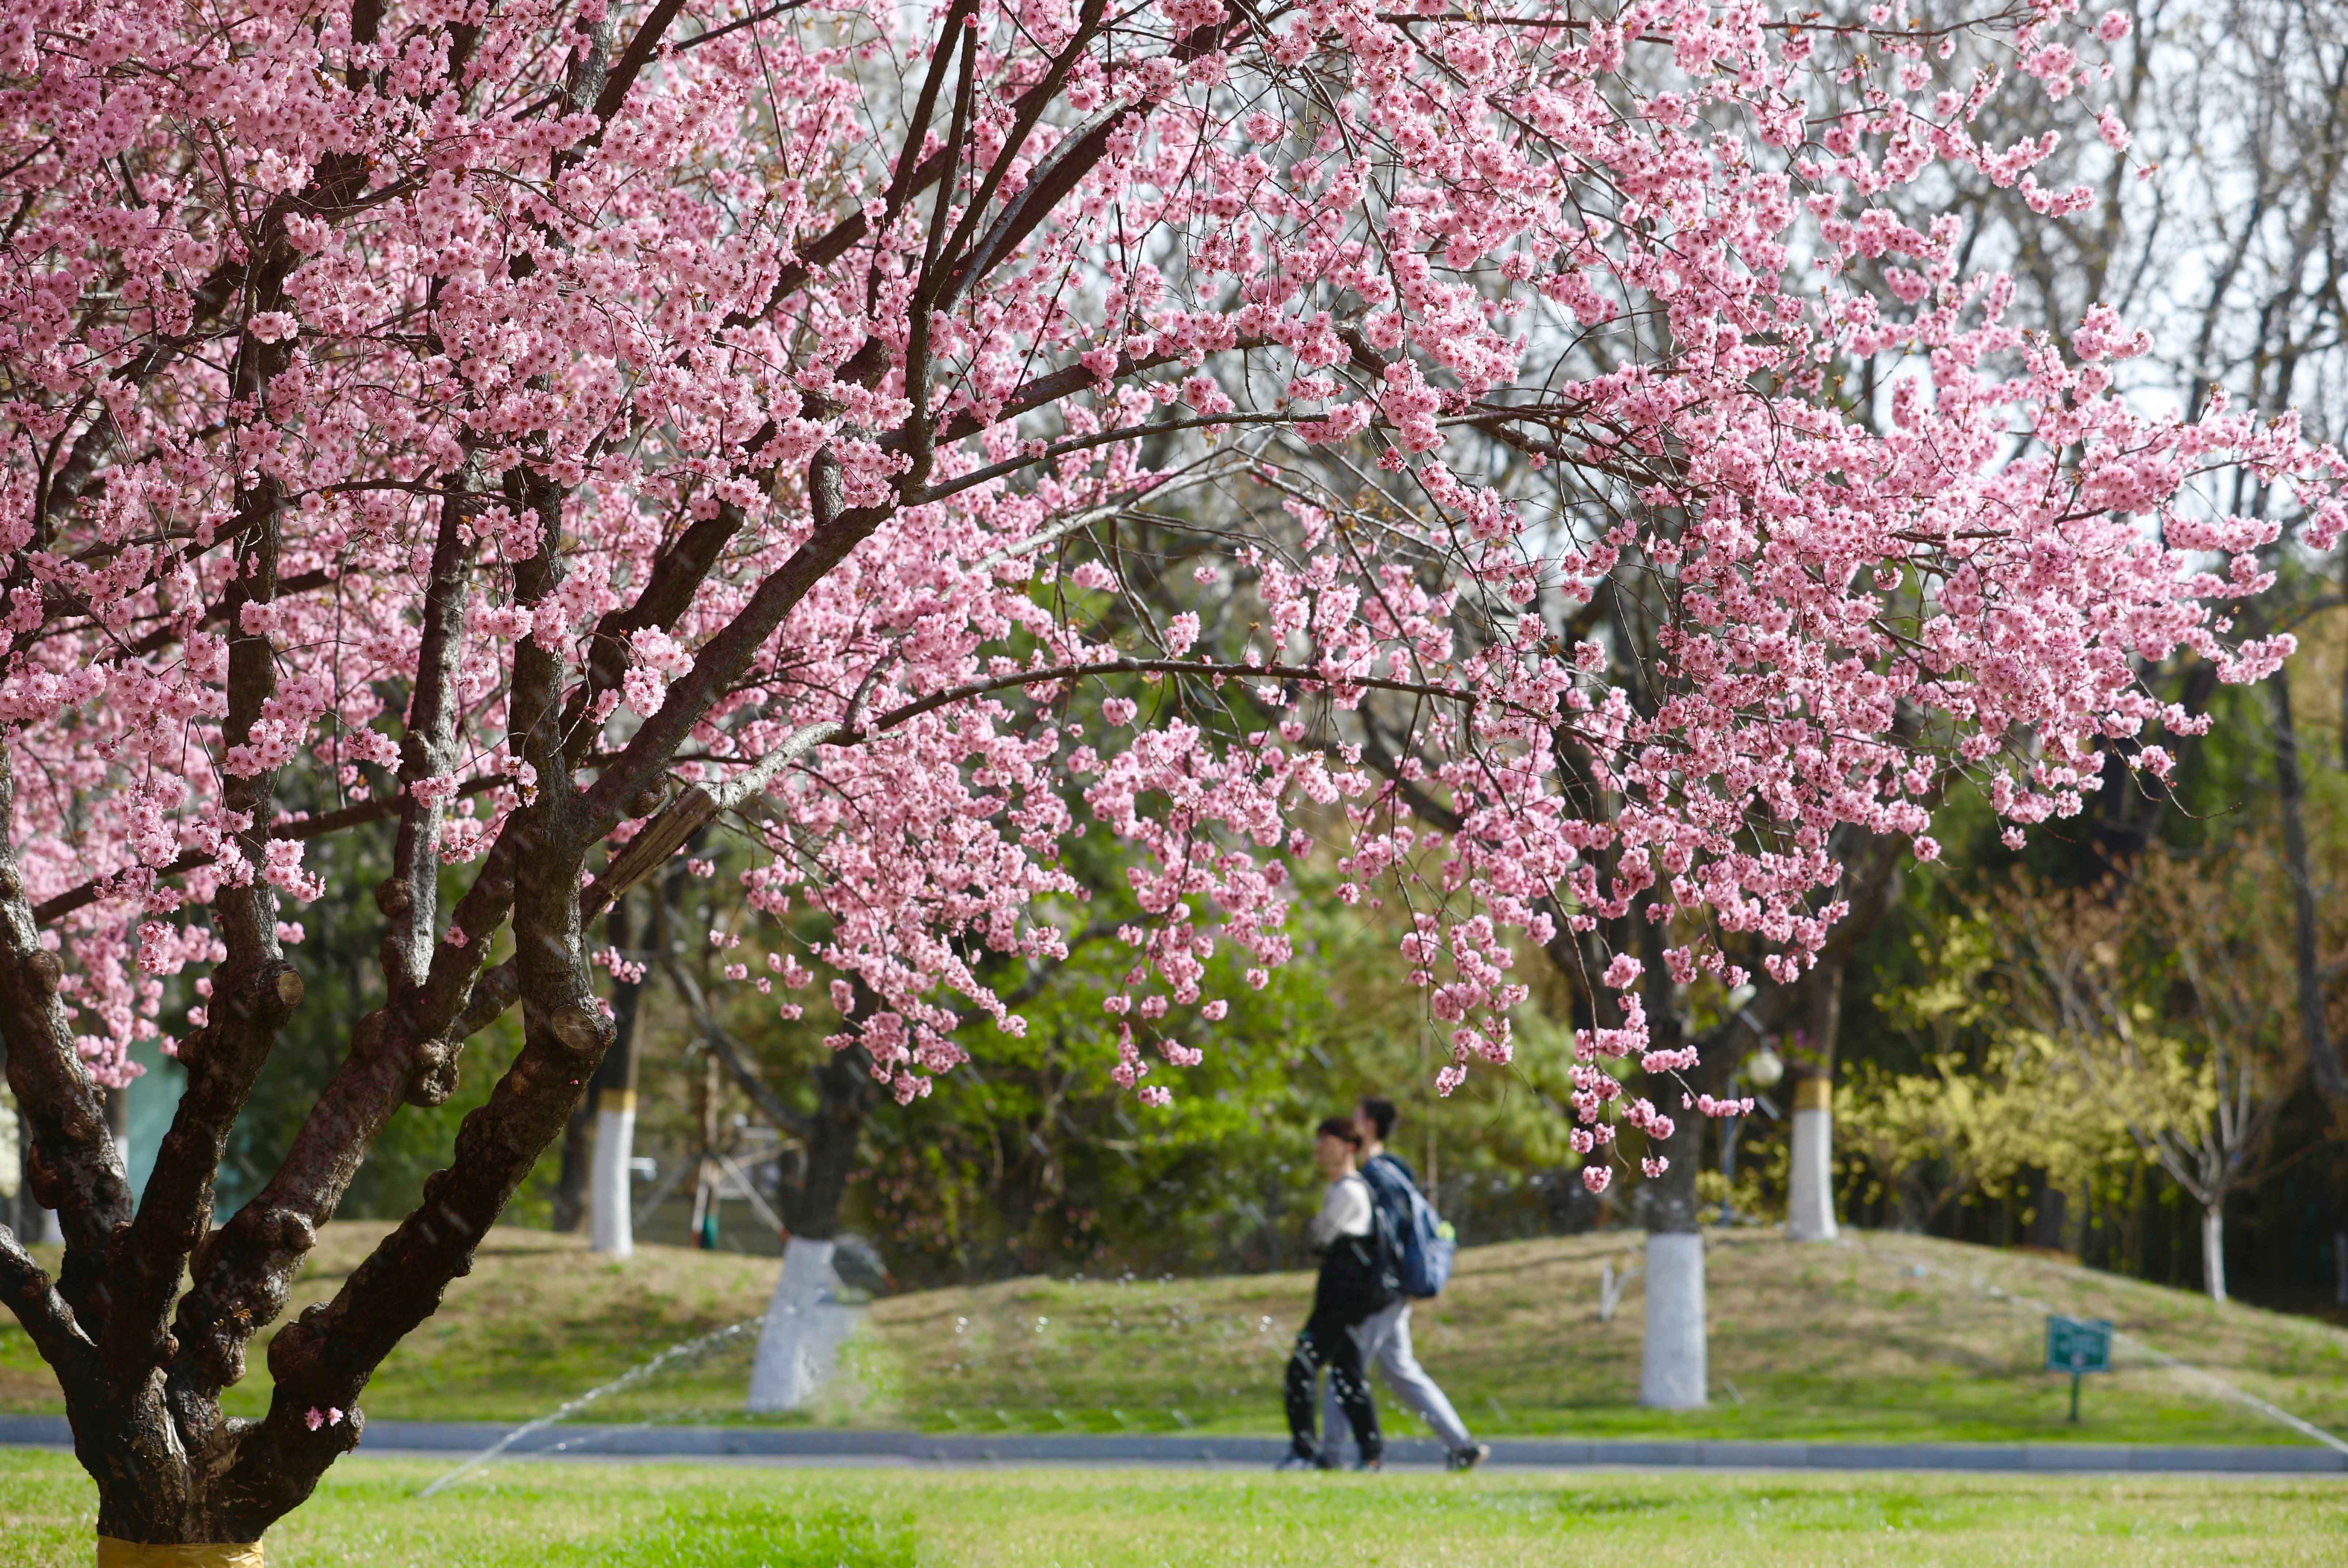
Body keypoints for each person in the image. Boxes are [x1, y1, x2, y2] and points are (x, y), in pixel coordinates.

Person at [1323, 1094, 1491, 1472]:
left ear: (1367, 1127)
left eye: (1355, 1117)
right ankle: (1461, 1444)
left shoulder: (1376, 1176)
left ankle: (1328, 1456)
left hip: (1380, 1292)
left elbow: (1381, 1240)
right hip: (1393, 1291)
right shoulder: (1391, 1174)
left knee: (1344, 1370)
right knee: (1401, 1370)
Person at [1277, 1115, 1389, 1471]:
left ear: (1350, 1147)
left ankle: (1303, 1451)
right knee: (1347, 1373)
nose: (1320, 1148)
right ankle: (1370, 1453)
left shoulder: (1350, 1192)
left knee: (1302, 1367)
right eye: (1319, 1140)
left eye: (1328, 1140)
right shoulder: (1341, 1190)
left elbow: (1321, 1237)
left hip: (1340, 1300)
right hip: (1340, 1299)